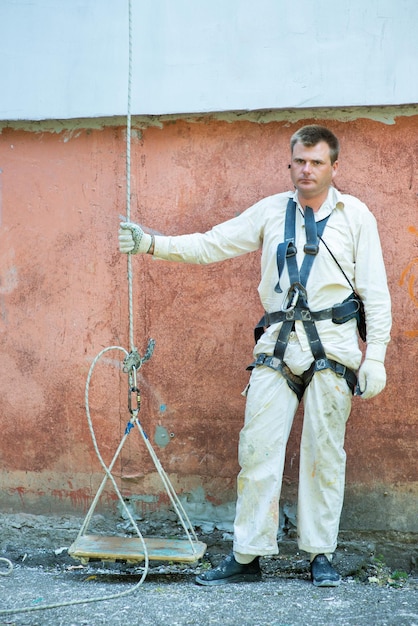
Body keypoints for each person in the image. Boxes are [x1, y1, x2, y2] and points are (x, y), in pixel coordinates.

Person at [118, 125, 391, 587]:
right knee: (257, 450)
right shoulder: (270, 212)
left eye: (317, 162)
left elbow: (376, 292)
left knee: (325, 455)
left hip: (335, 347)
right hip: (278, 346)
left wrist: (377, 354)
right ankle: (247, 555)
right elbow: (212, 243)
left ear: (334, 167)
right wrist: (152, 244)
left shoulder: (357, 217)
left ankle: (320, 553)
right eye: (300, 160)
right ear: (291, 163)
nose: (307, 169)